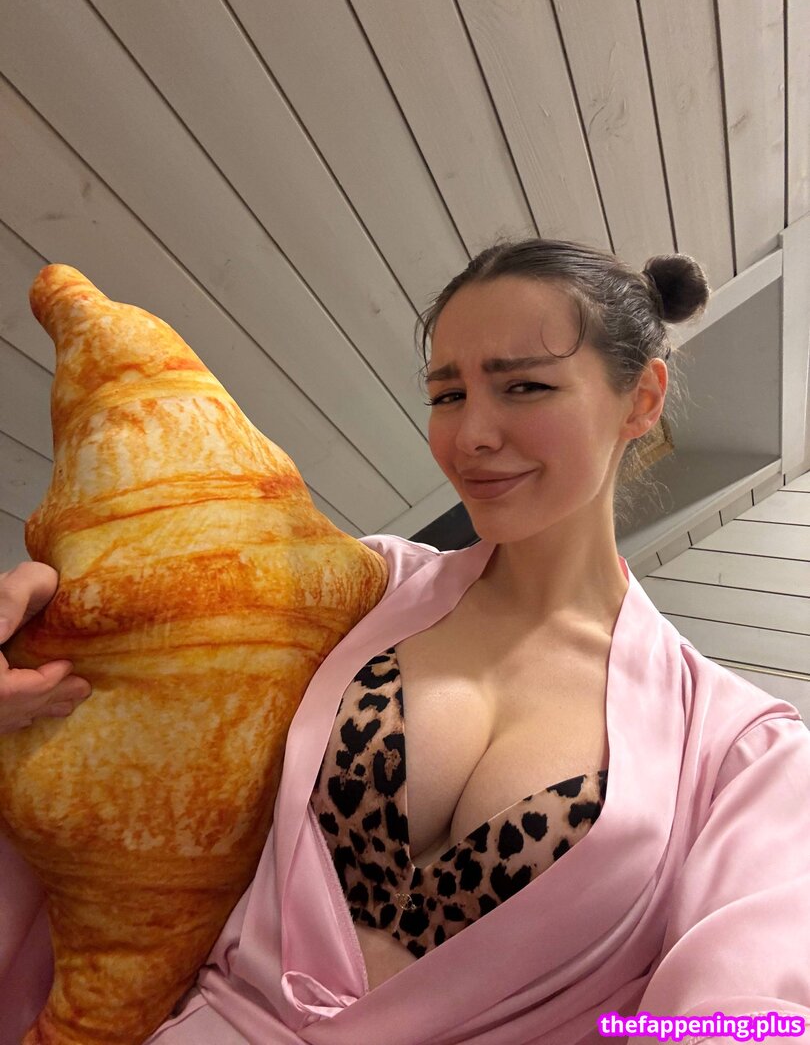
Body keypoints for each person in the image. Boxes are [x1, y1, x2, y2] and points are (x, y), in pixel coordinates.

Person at [1, 237, 809, 1045]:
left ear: (642, 400)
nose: (472, 435)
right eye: (448, 394)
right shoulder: (355, 589)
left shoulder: (740, 753)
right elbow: (152, 635)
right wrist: (57, 619)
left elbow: (747, 1010)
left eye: (525, 386)